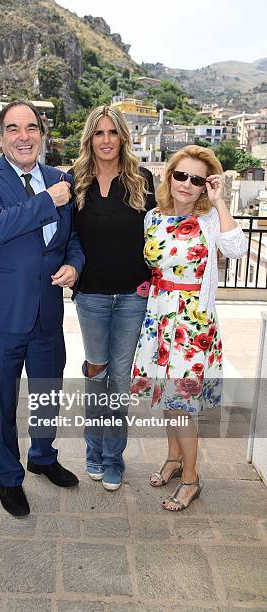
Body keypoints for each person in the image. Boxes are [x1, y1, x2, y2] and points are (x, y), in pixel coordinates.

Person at [0, 100, 84, 518]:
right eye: (13, 129)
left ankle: (43, 455)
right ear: (1, 137)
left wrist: (74, 264)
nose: (23, 136)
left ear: (42, 134)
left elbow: (71, 238)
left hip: (48, 312)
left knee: (48, 391)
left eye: (31, 128)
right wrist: (48, 200)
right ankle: (8, 476)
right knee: (1, 401)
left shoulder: (61, 178)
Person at [132, 144, 247, 510]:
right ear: (169, 176)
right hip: (159, 317)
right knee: (168, 398)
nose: (186, 184)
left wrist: (221, 200)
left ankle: (192, 480)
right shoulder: (153, 216)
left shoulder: (210, 218)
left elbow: (236, 249)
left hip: (192, 322)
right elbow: (156, 266)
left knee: (180, 402)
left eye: (197, 179)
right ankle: (173, 458)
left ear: (204, 186)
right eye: (181, 175)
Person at [72, 104, 156, 491]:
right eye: (99, 133)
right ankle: (92, 451)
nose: (106, 140)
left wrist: (153, 281)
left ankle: (112, 458)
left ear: (123, 136)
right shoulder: (75, 181)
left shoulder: (144, 180)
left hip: (132, 297)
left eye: (112, 132)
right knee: (96, 375)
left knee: (119, 381)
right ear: (90, 138)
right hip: (90, 296)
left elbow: (161, 237)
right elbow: (66, 237)